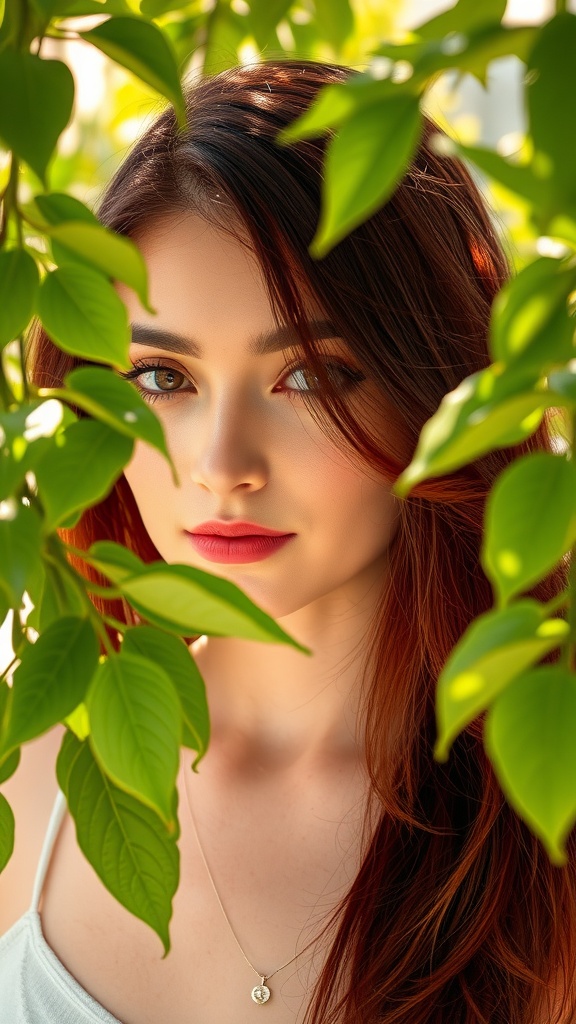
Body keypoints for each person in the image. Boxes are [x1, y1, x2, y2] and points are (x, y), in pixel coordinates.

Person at [0, 58, 574, 1024]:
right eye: (162, 378)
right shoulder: (33, 775)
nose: (223, 464)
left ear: (434, 384)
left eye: (307, 376)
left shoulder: (542, 811)